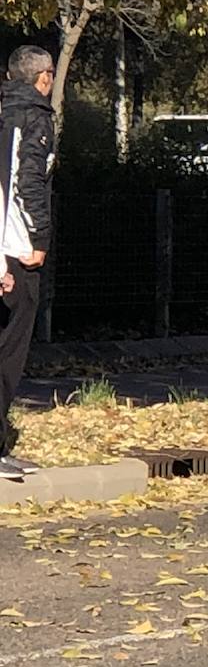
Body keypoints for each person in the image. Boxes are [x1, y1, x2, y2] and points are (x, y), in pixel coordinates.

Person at [0, 44, 56, 482]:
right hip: (16, 254)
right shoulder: (32, 118)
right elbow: (26, 182)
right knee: (9, 355)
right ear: (43, 78)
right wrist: (38, 239)